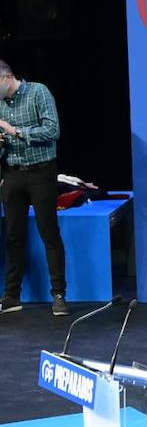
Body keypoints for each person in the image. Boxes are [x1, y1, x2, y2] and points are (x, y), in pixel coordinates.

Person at [0, 60, 65, 316]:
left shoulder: (38, 92)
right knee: (13, 237)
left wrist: (15, 131)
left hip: (41, 173)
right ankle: (12, 296)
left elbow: (52, 130)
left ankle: (59, 294)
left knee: (49, 233)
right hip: (12, 174)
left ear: (6, 78)